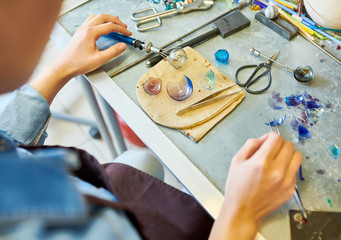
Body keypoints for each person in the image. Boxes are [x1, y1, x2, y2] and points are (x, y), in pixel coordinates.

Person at [0, 1, 302, 239]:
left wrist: (61, 68)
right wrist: (241, 212)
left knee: (139, 163)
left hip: (93, 192)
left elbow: (6, 138)